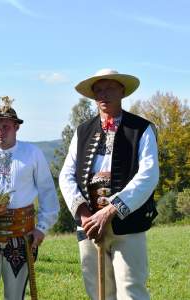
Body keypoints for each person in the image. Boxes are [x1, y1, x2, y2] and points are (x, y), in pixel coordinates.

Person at [59, 69, 159, 299]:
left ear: (122, 91)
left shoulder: (141, 129)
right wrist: (84, 214)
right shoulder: (82, 131)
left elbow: (149, 174)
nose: (103, 94)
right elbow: (66, 174)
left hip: (127, 223)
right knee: (98, 292)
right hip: (89, 225)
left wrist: (111, 211)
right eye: (98, 90)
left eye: (110, 88)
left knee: (131, 290)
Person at [0, 96, 59, 300]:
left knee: (15, 296)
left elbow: (48, 193)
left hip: (21, 235)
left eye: (6, 126)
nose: (1, 131)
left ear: (16, 127)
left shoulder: (32, 154)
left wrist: (42, 228)